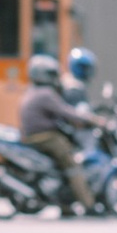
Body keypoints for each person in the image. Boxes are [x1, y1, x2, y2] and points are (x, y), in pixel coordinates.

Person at [16, 57, 92, 213]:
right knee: (72, 166)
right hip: (47, 137)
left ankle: (65, 205)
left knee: (60, 168)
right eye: (51, 74)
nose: (55, 77)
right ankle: (88, 204)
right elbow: (67, 112)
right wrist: (91, 119)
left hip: (33, 136)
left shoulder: (32, 90)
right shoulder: (46, 94)